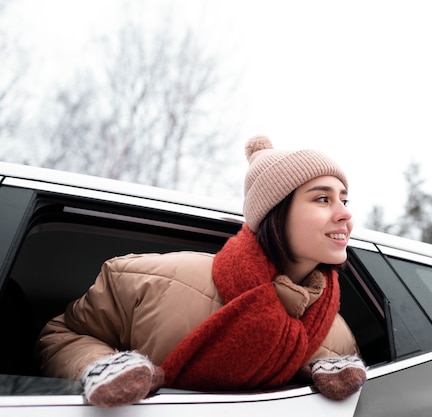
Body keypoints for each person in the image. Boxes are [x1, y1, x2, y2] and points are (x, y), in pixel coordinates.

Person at [36, 136, 366, 407]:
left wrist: (305, 371)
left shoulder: (334, 332)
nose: (344, 216)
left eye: (344, 201)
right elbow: (61, 336)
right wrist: (103, 367)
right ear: (274, 212)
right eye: (323, 199)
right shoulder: (148, 281)